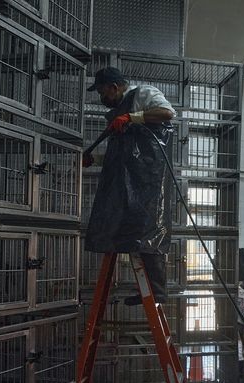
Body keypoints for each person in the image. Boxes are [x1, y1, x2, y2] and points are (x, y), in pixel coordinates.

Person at [83, 67, 176, 306]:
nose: (102, 99)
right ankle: (144, 288)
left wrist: (133, 117)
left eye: (103, 93)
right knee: (126, 229)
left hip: (148, 179)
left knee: (148, 232)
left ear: (114, 87)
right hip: (129, 182)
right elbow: (122, 154)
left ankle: (157, 292)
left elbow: (167, 113)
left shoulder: (142, 94)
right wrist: (96, 160)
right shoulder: (116, 114)